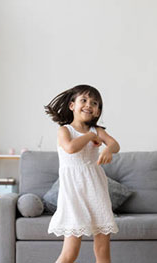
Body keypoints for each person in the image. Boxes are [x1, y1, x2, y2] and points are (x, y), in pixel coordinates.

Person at [45, 84, 120, 263]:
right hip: (73, 194)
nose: (89, 105)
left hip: (96, 190)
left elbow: (115, 145)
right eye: (84, 100)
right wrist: (89, 136)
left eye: (94, 103)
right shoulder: (64, 130)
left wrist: (108, 149)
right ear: (72, 105)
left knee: (103, 250)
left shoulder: (98, 131)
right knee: (70, 253)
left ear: (97, 111)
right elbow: (70, 148)